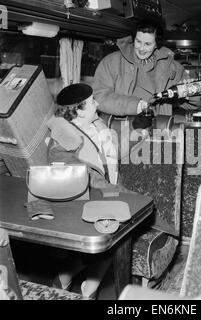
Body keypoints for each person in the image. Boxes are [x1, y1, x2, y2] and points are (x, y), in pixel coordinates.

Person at [47, 83, 135, 299]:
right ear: (78, 109)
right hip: (79, 203)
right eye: (92, 101)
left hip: (105, 196)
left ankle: (81, 285)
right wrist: (124, 194)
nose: (97, 104)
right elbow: (85, 182)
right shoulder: (62, 141)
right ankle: (79, 284)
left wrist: (137, 131)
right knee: (115, 230)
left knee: (115, 229)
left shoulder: (96, 125)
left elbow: (112, 159)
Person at [92, 18, 201, 116]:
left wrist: (193, 95)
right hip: (122, 131)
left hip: (158, 131)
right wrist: (133, 105)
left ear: (156, 44)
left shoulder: (173, 68)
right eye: (138, 41)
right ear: (133, 38)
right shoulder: (112, 62)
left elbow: (194, 107)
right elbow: (99, 97)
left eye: (147, 44)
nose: (141, 48)